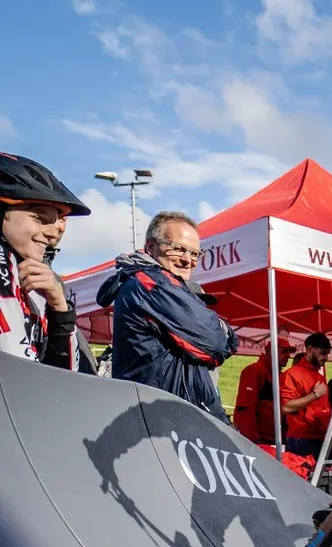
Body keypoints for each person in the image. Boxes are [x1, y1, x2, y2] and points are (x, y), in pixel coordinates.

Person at [99, 209, 237, 417]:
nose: (186, 259)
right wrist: (220, 328)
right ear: (151, 246)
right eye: (178, 249)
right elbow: (215, 343)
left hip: (175, 414)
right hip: (164, 418)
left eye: (194, 253)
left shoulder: (165, 284)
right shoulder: (151, 283)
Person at [0, 153, 93, 371]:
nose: (53, 233)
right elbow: (22, 374)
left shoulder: (38, 278)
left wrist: (60, 308)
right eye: (40, 219)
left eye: (57, 221)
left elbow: (66, 378)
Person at [279, 332, 332, 463]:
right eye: (323, 353)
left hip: (322, 437)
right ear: (309, 349)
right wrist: (314, 395)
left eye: (327, 353)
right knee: (300, 480)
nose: (326, 357)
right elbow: (286, 407)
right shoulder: (291, 374)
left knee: (323, 481)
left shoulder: (319, 376)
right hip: (301, 439)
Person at [233, 334, 290, 443]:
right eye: (284, 351)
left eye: (289, 352)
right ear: (271, 351)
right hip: (260, 439)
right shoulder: (255, 371)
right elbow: (245, 408)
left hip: (274, 438)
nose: (288, 355)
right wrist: (252, 440)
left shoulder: (278, 375)